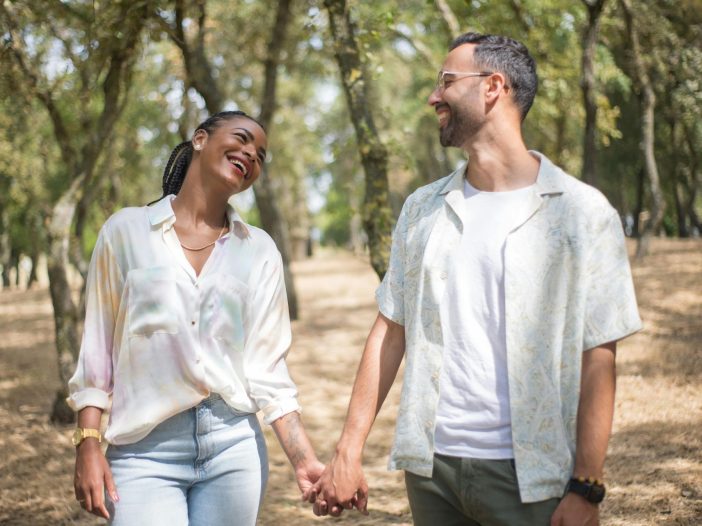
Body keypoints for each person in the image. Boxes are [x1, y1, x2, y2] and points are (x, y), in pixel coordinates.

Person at [309, 33, 642, 525]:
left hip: (532, 477)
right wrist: (347, 451)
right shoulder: (422, 209)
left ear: (493, 87)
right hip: (432, 474)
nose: (433, 97)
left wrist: (586, 487)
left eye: (446, 81)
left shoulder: (583, 213)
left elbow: (599, 356)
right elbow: (390, 330)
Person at [68, 110, 324, 525]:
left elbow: (268, 371)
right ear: (200, 139)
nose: (251, 155)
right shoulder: (126, 232)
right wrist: (88, 442)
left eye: (260, 155)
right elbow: (96, 356)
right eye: (242, 139)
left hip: (234, 447)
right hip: (144, 450)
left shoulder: (258, 250)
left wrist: (303, 459)